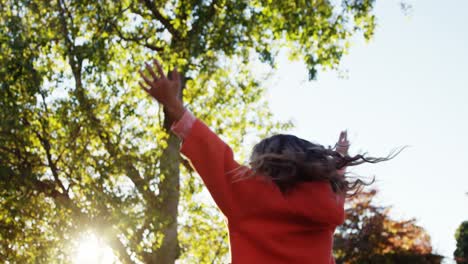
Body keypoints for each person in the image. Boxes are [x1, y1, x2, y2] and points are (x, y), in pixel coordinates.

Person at [139, 59, 399, 264]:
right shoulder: (325, 205)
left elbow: (212, 151)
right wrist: (339, 159)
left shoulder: (246, 194)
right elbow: (335, 187)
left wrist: (173, 104)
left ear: (262, 164)